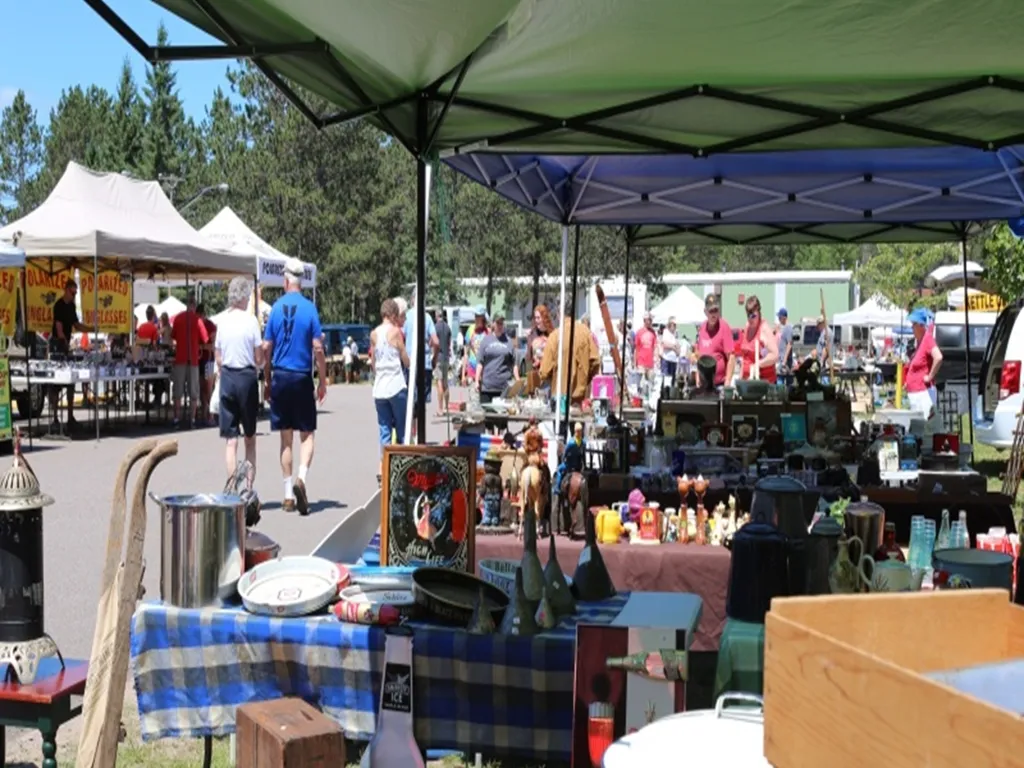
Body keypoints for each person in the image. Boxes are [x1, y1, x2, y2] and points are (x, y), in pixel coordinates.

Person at [263, 257, 327, 516]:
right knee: (308, 433)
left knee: (285, 438)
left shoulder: (276, 308)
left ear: (285, 280)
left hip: (280, 375)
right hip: (301, 376)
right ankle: (302, 478)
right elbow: (319, 348)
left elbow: (267, 348)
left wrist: (267, 379)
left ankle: (288, 495)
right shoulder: (310, 309)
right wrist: (322, 380)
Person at [215, 276, 264, 481]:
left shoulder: (222, 321)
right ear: (245, 297)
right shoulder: (251, 321)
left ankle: (232, 486)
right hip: (246, 377)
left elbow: (217, 355)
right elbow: (259, 357)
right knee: (250, 438)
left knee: (230, 440)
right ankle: (249, 489)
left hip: (227, 376)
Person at [539, 294, 601, 409]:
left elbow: (544, 372)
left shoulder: (554, 336)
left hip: (559, 401)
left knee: (560, 427)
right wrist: (584, 378)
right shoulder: (585, 332)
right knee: (577, 426)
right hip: (579, 400)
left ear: (559, 311)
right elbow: (596, 361)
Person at [370, 298, 409, 468]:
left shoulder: (374, 334)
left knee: (384, 429)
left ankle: (383, 467)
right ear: (393, 315)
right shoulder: (396, 332)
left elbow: (373, 362)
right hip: (395, 384)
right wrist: (410, 364)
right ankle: (401, 464)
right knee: (401, 427)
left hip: (380, 387)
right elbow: (404, 357)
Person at [48, 278, 90, 429]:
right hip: (57, 345)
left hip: (65, 344)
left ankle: (70, 416)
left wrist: (90, 329)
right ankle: (54, 418)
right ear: (66, 290)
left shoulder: (71, 306)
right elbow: (59, 330)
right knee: (56, 384)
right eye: (73, 292)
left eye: (76, 293)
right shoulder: (59, 306)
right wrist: (66, 344)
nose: (74, 295)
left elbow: (76, 325)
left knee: (70, 382)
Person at [171, 292, 209, 428]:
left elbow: (173, 336)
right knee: (194, 393)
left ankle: (176, 419)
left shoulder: (178, 318)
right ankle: (192, 420)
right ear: (193, 305)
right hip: (193, 360)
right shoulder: (198, 320)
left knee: (178, 392)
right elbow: (205, 339)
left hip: (180, 358)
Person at [403, 297, 439, 439]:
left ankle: (411, 432)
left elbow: (402, 336)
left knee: (411, 398)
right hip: (425, 364)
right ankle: (419, 433)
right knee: (421, 401)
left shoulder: (406, 316)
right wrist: (434, 358)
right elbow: (436, 341)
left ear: (412, 302)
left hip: (411, 363)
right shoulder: (427, 317)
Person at [905, 307, 943, 420]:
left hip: (923, 393)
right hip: (916, 393)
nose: (912, 328)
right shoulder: (920, 342)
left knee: (925, 425)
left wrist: (930, 376)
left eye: (913, 325)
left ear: (920, 325)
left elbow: (938, 357)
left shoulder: (927, 339)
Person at [731, 295, 779, 383]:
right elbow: (745, 356)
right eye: (748, 315)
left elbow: (775, 355)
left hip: (763, 382)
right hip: (747, 381)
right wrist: (740, 379)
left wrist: (758, 364)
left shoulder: (764, 328)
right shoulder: (747, 326)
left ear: (759, 312)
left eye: (753, 316)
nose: (750, 319)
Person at [476, 313, 519, 404]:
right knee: (488, 416)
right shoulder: (486, 340)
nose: (500, 325)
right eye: (498, 323)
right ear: (493, 324)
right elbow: (480, 363)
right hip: (487, 388)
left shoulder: (509, 342)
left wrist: (518, 381)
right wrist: (476, 381)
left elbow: (514, 364)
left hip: (504, 389)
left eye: (501, 323)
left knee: (502, 416)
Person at [694, 294, 735, 388]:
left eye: (715, 310)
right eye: (710, 311)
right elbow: (698, 355)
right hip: (704, 384)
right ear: (705, 312)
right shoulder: (702, 327)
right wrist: (697, 377)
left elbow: (731, 357)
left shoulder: (724, 327)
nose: (713, 314)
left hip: (719, 384)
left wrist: (728, 381)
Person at [196, 304, 217, 426]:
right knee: (201, 389)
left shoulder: (210, 326)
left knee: (208, 389)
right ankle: (204, 414)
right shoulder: (197, 325)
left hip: (208, 361)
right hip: (199, 360)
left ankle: (211, 415)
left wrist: (202, 346)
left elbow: (213, 346)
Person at [462, 306, 488, 385]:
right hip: (472, 371)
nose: (476, 318)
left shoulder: (487, 332)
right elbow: (466, 354)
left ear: (483, 318)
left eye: (478, 316)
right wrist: (463, 374)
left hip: (485, 372)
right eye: (475, 316)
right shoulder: (470, 329)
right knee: (473, 396)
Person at [433, 310, 452, 415]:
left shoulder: (435, 327)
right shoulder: (448, 327)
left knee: (439, 383)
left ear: (436, 316)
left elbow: (434, 343)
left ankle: (440, 409)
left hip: (438, 357)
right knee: (446, 383)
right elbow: (449, 344)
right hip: (446, 358)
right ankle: (446, 407)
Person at [526, 305, 553, 373]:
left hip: (549, 373)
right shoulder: (532, 334)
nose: (536, 320)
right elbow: (528, 358)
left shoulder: (552, 334)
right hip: (536, 374)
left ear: (544, 318)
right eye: (535, 318)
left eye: (538, 318)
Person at [634, 311, 658, 380]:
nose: (650, 322)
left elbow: (655, 346)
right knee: (641, 383)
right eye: (649, 320)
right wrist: (635, 362)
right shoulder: (639, 332)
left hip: (650, 363)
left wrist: (656, 359)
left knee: (650, 383)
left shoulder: (653, 332)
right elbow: (636, 348)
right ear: (645, 320)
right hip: (641, 362)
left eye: (651, 320)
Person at [660, 316, 681, 383]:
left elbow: (678, 346)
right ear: (669, 324)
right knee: (666, 380)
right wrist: (673, 347)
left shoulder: (675, 334)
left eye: (675, 325)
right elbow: (665, 344)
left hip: (674, 360)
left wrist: (676, 349)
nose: (675, 326)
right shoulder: (666, 332)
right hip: (667, 360)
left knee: (672, 380)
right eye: (673, 324)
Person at [776, 307, 794, 384]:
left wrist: (784, 361)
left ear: (784, 318)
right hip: (782, 360)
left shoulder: (788, 328)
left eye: (779, 317)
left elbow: (789, 344)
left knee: (781, 380)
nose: (778, 319)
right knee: (781, 380)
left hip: (785, 362)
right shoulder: (784, 328)